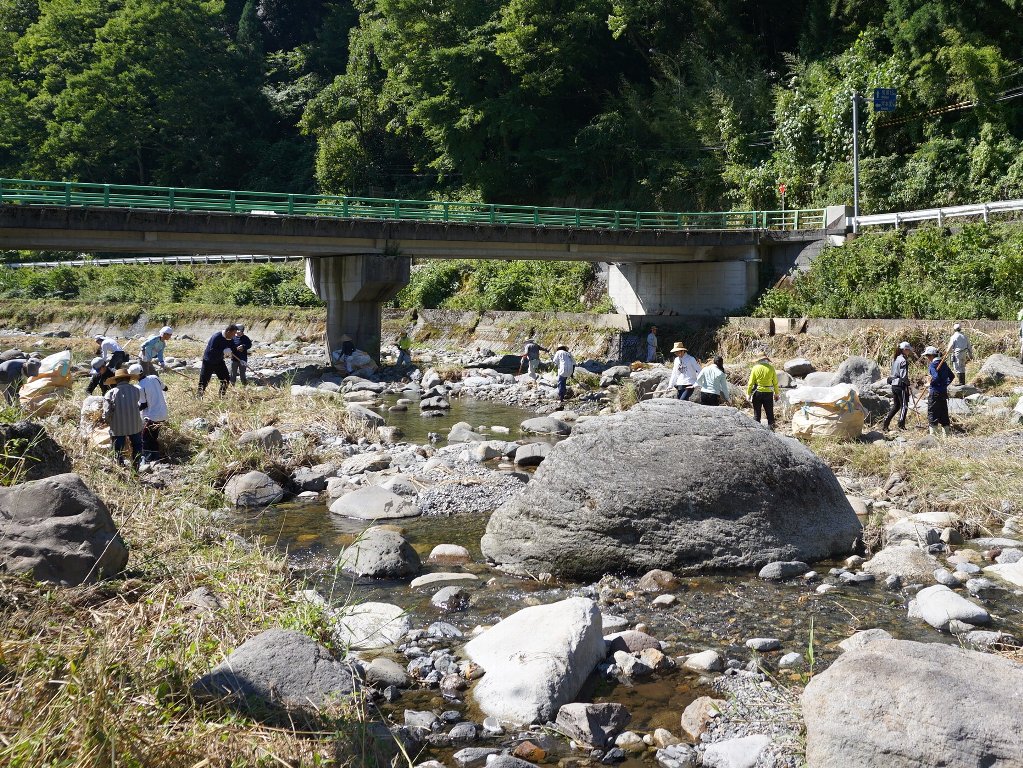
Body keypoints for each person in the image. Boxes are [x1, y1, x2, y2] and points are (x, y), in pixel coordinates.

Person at [103, 366, 144, 468]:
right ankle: (136, 466)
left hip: (118, 427)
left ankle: (120, 467)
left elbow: (107, 412)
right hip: (135, 425)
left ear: (116, 380)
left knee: (118, 449)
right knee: (137, 445)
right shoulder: (136, 390)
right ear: (129, 379)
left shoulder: (110, 393)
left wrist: (106, 421)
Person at [134, 363, 168, 464]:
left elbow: (143, 405)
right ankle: (156, 458)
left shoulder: (140, 386)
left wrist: (134, 409)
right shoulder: (154, 377)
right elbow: (165, 388)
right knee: (154, 437)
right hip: (163, 413)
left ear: (135, 376)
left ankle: (148, 459)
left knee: (145, 438)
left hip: (152, 416)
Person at [198, 324, 238, 398]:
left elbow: (233, 348)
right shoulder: (217, 336)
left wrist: (241, 360)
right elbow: (212, 350)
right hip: (209, 361)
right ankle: (199, 397)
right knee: (204, 380)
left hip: (219, 361)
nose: (234, 336)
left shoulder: (230, 338)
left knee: (226, 379)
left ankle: (221, 396)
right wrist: (223, 351)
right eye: (233, 333)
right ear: (228, 332)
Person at [882, 341, 914, 432]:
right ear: (904, 350)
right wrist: (907, 383)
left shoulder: (895, 358)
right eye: (908, 350)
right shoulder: (903, 360)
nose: (909, 352)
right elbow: (903, 375)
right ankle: (901, 425)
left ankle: (885, 422)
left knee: (896, 406)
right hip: (900, 385)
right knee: (904, 405)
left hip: (894, 384)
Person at [923, 345, 955, 437]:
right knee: (944, 412)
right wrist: (945, 384)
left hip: (935, 392)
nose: (927, 358)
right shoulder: (943, 364)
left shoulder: (933, 365)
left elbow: (935, 377)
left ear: (931, 356)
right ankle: (947, 436)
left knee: (932, 412)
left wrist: (930, 383)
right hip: (943, 392)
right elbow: (952, 376)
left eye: (927, 356)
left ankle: (933, 437)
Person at [746, 353, 779, 429]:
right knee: (770, 413)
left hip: (757, 393)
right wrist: (776, 394)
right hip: (768, 393)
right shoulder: (771, 368)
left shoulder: (755, 368)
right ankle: (772, 430)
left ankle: (757, 431)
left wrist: (748, 393)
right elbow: (775, 383)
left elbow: (750, 383)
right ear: (766, 360)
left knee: (757, 414)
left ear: (758, 360)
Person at [945, 322, 974, 387]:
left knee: (957, 367)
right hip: (964, 353)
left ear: (954, 329)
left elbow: (950, 346)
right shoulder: (965, 336)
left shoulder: (954, 337)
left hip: (957, 354)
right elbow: (969, 346)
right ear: (960, 329)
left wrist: (946, 354)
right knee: (962, 367)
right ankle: (962, 382)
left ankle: (961, 383)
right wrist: (970, 355)